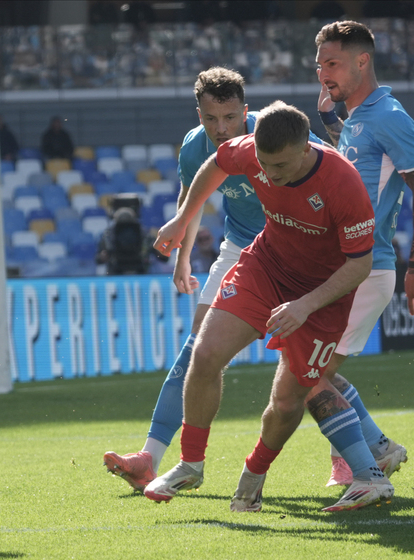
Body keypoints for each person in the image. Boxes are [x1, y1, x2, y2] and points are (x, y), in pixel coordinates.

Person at [145, 101, 393, 513]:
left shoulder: (342, 183)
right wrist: (184, 218)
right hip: (265, 267)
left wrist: (304, 306)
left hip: (321, 294)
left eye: (280, 166)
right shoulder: (251, 150)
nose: (270, 175)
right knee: (204, 354)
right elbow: (216, 164)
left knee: (286, 401)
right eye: (264, 164)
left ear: (305, 149)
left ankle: (254, 474)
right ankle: (190, 463)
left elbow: (360, 264)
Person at [103, 67, 329, 492]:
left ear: (245, 112)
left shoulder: (275, 133)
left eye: (230, 118)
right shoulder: (194, 148)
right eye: (210, 119)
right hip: (241, 246)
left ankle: (364, 449)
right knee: (199, 348)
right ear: (199, 114)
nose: (221, 129)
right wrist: (183, 258)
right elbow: (193, 199)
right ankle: (150, 457)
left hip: (297, 253)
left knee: (307, 365)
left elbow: (327, 174)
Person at [314, 20, 414, 487]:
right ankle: (376, 452)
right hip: (346, 266)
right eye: (320, 64)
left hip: (367, 266)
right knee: (306, 369)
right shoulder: (362, 117)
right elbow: (360, 165)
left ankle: (367, 469)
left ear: (362, 61)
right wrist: (330, 122)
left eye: (334, 64)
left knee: (307, 375)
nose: (324, 73)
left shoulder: (389, 116)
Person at [95, 206, 147, 275]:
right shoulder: (109, 235)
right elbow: (98, 259)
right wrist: (103, 256)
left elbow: (162, 257)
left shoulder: (141, 233)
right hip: (115, 269)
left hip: (139, 268)